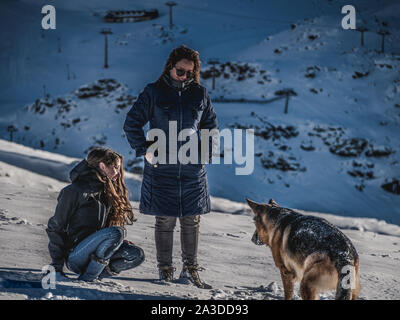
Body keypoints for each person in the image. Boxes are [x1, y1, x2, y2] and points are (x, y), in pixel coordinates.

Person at [123, 45, 218, 289]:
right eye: (180, 71)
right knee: (165, 221)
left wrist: (206, 152)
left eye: (189, 72)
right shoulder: (153, 92)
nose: (184, 76)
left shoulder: (200, 94)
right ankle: (165, 270)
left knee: (191, 220)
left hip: (192, 168)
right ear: (170, 67)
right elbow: (132, 123)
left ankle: (191, 270)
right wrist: (144, 149)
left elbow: (210, 125)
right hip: (161, 167)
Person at [46, 147, 145, 282]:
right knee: (116, 232)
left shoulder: (106, 191)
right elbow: (55, 227)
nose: (118, 173)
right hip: (76, 255)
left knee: (136, 254)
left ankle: (96, 274)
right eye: (115, 167)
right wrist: (57, 266)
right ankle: (89, 278)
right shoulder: (75, 191)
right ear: (102, 166)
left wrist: (115, 242)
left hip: (96, 252)